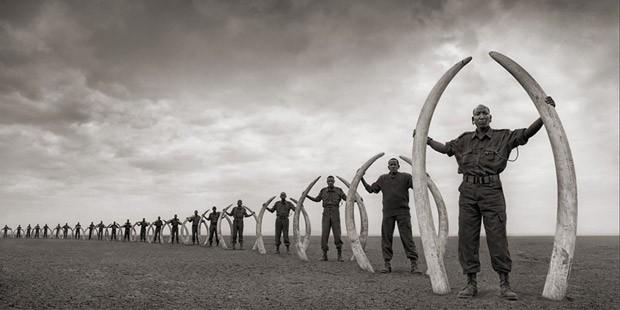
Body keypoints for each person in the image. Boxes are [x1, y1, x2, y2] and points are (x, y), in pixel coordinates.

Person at [421, 97, 556, 300]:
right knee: (467, 238)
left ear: (490, 117)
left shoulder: (503, 137)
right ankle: (470, 284)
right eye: (478, 114)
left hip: (492, 191)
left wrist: (545, 114)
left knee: (497, 237)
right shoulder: (463, 140)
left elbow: (526, 134)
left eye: (485, 113)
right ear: (472, 119)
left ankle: (504, 284)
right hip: (467, 192)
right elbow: (446, 149)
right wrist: (426, 139)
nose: (482, 116)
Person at [361, 158, 420, 274]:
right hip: (388, 213)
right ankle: (387, 264)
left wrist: (423, 176)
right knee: (386, 238)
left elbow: (418, 185)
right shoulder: (383, 179)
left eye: (395, 164)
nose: (393, 166)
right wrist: (361, 178)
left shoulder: (406, 177)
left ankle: (414, 264)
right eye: (391, 164)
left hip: (403, 212)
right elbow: (371, 189)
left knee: (407, 237)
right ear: (388, 167)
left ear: (398, 166)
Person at [306, 176, 347, 262]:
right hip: (326, 213)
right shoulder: (323, 191)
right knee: (324, 234)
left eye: (332, 181)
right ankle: (324, 255)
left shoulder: (339, 190)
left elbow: (347, 198)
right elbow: (317, 199)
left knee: (337, 233)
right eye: (329, 181)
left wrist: (357, 199)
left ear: (334, 181)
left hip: (335, 212)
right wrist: (306, 195)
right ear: (327, 182)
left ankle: (339, 255)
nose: (330, 182)